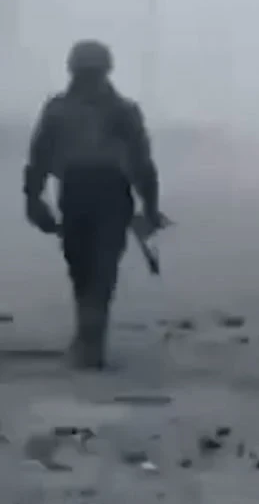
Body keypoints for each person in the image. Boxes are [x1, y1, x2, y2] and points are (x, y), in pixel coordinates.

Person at [22, 40, 162, 370]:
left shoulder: (66, 110)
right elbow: (142, 164)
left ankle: (90, 339)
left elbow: (39, 159)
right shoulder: (119, 110)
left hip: (86, 193)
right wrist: (150, 205)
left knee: (91, 268)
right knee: (91, 269)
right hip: (98, 194)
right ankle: (90, 337)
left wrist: (34, 198)